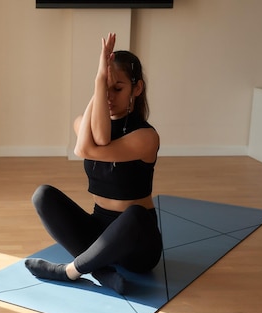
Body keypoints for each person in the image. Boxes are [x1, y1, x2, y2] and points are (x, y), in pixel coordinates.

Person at [24, 33, 162, 295]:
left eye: (117, 88)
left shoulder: (146, 137)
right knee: (43, 195)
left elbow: (85, 148)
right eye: (104, 88)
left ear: (137, 88)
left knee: (136, 215)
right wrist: (99, 81)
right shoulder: (82, 122)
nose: (109, 96)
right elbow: (93, 140)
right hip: (99, 232)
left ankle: (70, 271)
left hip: (138, 246)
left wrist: (101, 79)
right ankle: (100, 270)